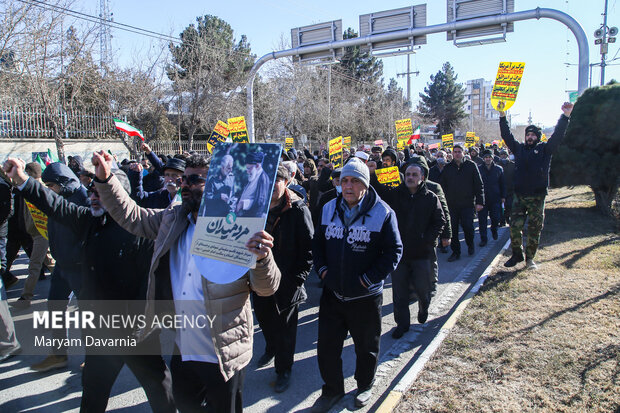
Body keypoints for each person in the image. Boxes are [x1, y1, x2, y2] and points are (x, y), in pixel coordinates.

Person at [91, 151, 281, 413]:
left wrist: (262, 259)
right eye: (183, 180)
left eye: (194, 181)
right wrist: (106, 179)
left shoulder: (240, 227)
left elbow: (266, 288)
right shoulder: (172, 219)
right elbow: (132, 216)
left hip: (223, 350)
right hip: (183, 347)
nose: (185, 186)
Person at [3, 157, 175, 413]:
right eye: (91, 190)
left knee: (158, 386)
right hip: (99, 329)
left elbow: (151, 283)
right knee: (94, 390)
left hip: (135, 331)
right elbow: (55, 206)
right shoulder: (89, 219)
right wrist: (22, 180)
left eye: (99, 191)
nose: (92, 196)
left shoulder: (142, 232)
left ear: (119, 196)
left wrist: (139, 326)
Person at [311, 158, 402, 411]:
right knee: (327, 349)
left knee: (366, 349)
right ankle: (332, 390)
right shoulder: (329, 208)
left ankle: (364, 386)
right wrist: (323, 271)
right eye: (344, 180)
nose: (347, 186)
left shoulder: (383, 212)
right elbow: (317, 244)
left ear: (365, 184)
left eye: (354, 181)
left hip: (365, 297)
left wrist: (368, 279)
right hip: (333, 295)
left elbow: (394, 251)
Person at [253, 165, 313, 393]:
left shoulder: (298, 210)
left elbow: (308, 250)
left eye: (276, 181)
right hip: (260, 280)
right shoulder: (254, 208)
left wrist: (295, 281)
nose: (270, 186)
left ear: (286, 182)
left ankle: (283, 370)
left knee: (286, 331)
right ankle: (270, 347)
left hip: (287, 283)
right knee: (265, 321)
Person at [370, 161, 445, 338]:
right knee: (400, 292)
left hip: (422, 254)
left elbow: (439, 221)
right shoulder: (396, 195)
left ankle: (423, 307)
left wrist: (427, 240)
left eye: (414, 175)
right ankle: (402, 325)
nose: (410, 178)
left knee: (423, 289)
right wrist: (373, 174)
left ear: (422, 178)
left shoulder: (431, 198)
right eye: (408, 175)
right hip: (399, 255)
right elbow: (378, 193)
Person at [498, 101, 573, 269]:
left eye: (533, 135)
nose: (529, 137)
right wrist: (502, 115)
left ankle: (530, 258)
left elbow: (558, 135)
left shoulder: (546, 150)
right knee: (514, 227)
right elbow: (507, 135)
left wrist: (565, 116)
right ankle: (517, 254)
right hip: (519, 196)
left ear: (537, 137)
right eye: (528, 135)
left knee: (534, 229)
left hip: (537, 197)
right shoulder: (519, 149)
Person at [31, 162, 89, 372]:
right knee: (55, 307)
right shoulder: (55, 199)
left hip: (81, 267)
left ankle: (93, 357)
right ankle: (58, 354)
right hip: (62, 266)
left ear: (62, 182)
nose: (48, 189)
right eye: (45, 185)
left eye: (50, 185)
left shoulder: (83, 198)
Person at [14, 162, 55, 307]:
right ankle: (76, 287)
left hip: (41, 232)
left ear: (30, 173)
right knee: (51, 263)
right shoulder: (34, 188)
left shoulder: (38, 190)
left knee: (34, 265)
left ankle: (26, 298)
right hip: (36, 231)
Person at [440, 145, 484, 261]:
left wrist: (480, 202)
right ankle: (456, 252)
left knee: (468, 227)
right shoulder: (448, 168)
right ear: (452, 154)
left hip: (467, 204)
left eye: (459, 152)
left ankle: (470, 244)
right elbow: (442, 187)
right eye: (455, 152)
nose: (457, 154)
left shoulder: (471, 166)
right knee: (453, 229)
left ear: (463, 153)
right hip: (452, 205)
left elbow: (479, 185)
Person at [477, 150, 505, 247]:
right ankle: (483, 239)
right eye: (486, 157)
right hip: (482, 199)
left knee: (495, 218)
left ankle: (494, 230)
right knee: (482, 221)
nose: (488, 159)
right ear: (483, 158)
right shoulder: (479, 169)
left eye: (489, 157)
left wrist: (503, 196)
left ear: (492, 158)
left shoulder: (498, 169)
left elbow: (502, 184)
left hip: (495, 198)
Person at [236, 151, 271, 218]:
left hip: (252, 217)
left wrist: (244, 204)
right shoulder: (252, 176)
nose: (247, 171)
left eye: (249, 168)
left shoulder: (263, 178)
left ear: (257, 166)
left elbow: (261, 202)